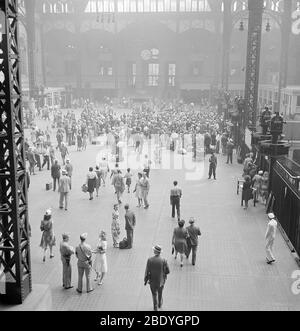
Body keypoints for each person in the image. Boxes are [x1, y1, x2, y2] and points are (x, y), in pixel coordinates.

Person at [144, 245, 170, 311]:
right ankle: (159, 304)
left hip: (152, 281)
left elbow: (147, 271)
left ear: (155, 252)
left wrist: (146, 280)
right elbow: (168, 271)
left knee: (154, 294)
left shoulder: (150, 260)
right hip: (161, 281)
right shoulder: (164, 260)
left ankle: (155, 308)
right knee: (160, 292)